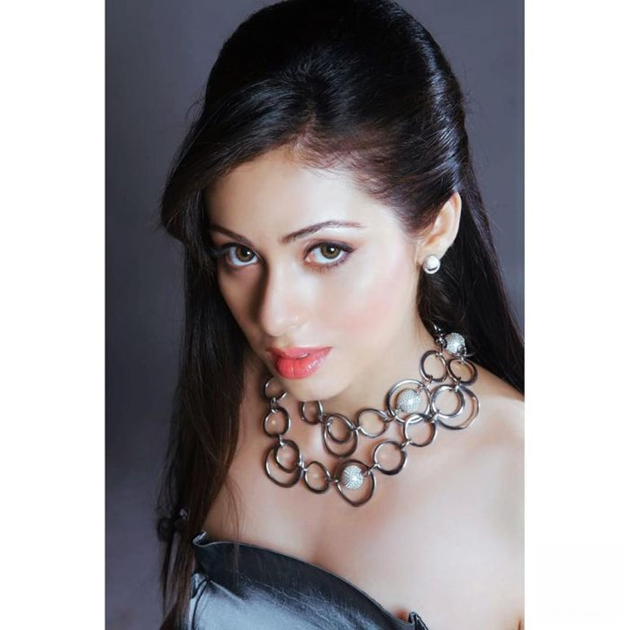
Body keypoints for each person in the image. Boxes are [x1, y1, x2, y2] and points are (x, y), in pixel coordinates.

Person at [156, 0, 524, 628]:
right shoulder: (231, 393)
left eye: (327, 251)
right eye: (240, 253)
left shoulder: (530, 482)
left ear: (436, 228)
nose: (274, 315)